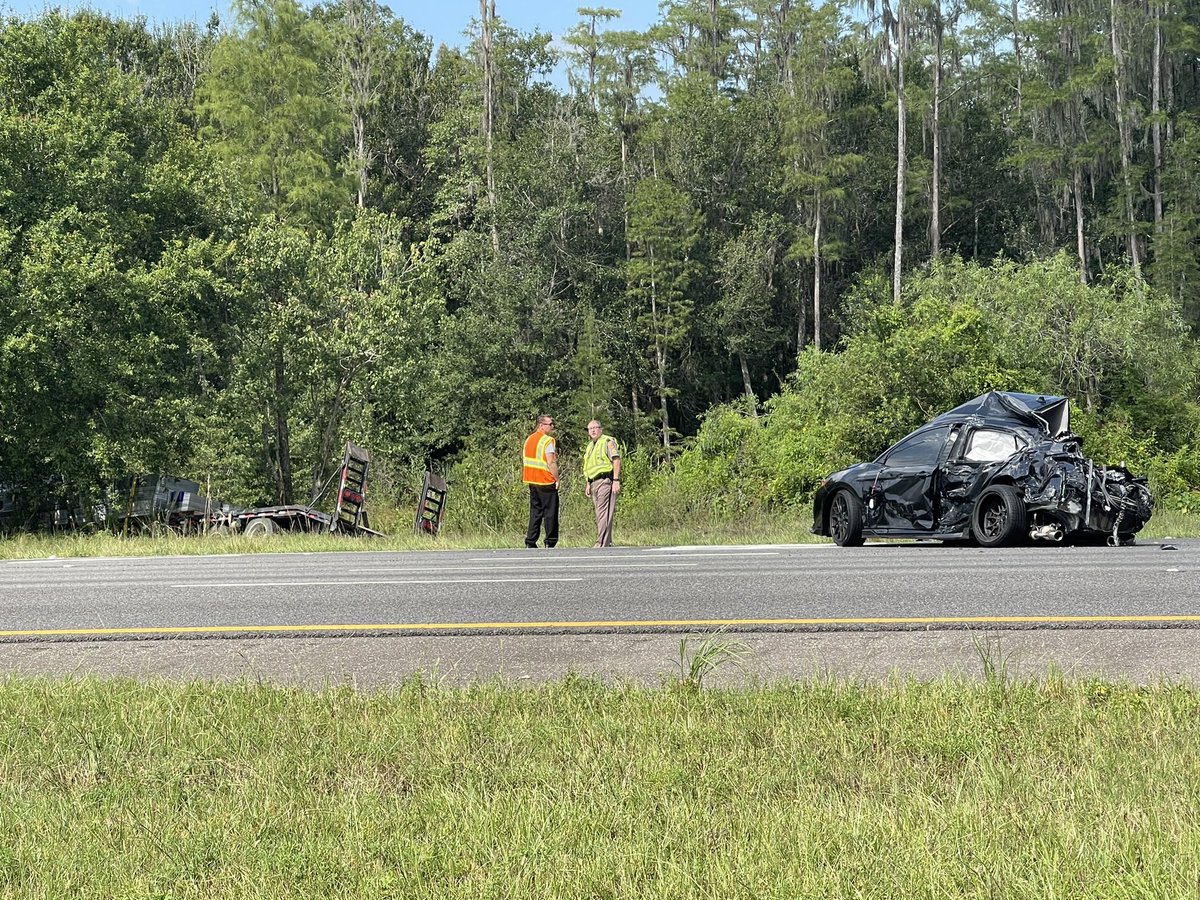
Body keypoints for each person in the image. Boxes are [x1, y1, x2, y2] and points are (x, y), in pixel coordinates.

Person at [582, 419, 621, 548]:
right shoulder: (590, 446)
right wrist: (588, 483)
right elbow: (588, 465)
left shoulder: (607, 442)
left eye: (595, 427)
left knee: (603, 512)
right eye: (590, 428)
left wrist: (616, 480)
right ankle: (607, 542)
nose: (593, 430)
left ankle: (601, 543)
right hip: (593, 482)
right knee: (600, 513)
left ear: (601, 429)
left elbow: (616, 460)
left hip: (605, 480)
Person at [522, 414, 559, 548]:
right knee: (550, 513)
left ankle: (530, 541)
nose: (552, 426)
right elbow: (551, 462)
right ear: (541, 425)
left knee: (535, 512)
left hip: (532, 480)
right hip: (545, 480)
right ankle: (550, 541)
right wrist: (557, 479)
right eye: (550, 424)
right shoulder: (547, 441)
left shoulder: (529, 439)